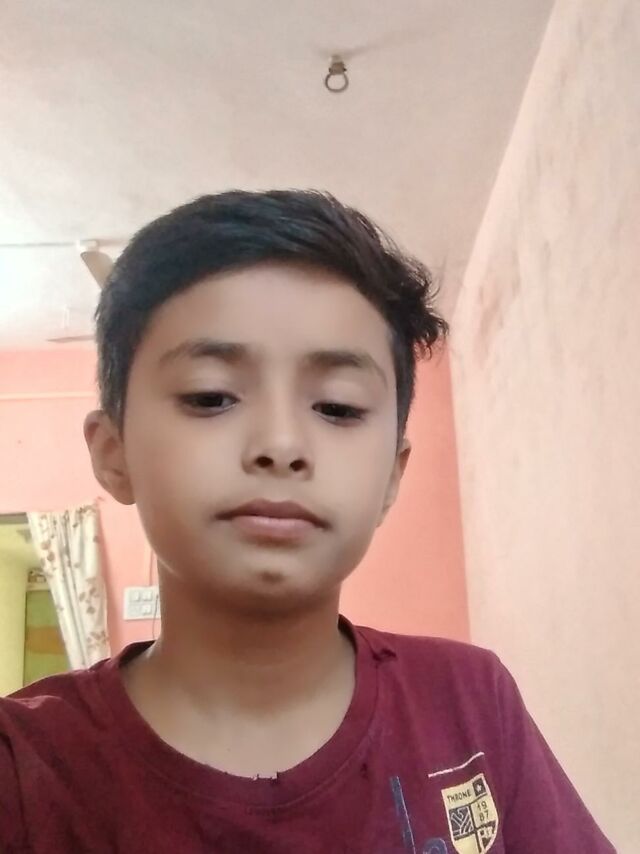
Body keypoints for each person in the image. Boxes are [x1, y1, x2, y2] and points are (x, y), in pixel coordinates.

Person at [0, 191, 615, 853]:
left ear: (392, 476)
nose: (281, 443)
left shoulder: (468, 703)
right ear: (112, 452)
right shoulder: (26, 768)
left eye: (338, 407)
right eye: (211, 396)